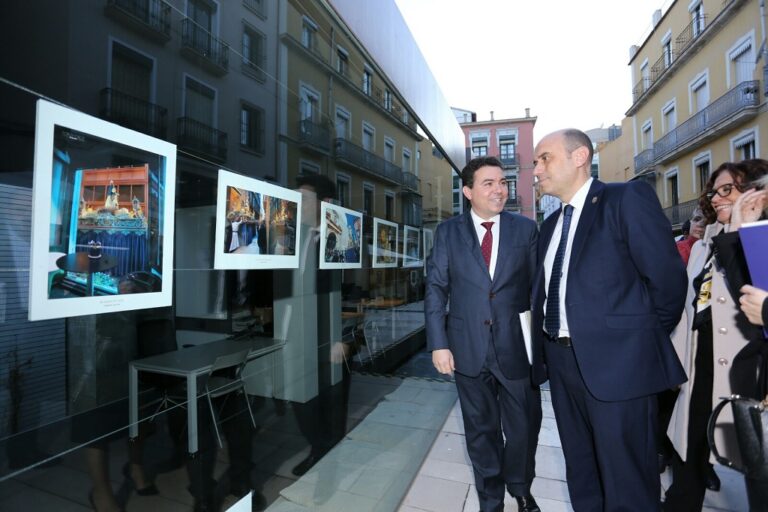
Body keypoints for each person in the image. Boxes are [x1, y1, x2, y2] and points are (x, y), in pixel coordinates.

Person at [531, 129, 687, 512]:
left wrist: (635, 345)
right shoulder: (550, 226)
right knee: (582, 471)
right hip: (562, 363)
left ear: (580, 156)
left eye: (545, 158)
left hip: (621, 367)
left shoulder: (624, 199)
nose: (536, 170)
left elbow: (667, 282)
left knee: (627, 480)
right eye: (535, 162)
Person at [425, 156, 542, 512]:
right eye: (488, 183)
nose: (499, 190)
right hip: (467, 348)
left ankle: (521, 488)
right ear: (468, 191)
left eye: (502, 182)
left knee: (524, 427)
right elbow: (436, 289)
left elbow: (538, 289)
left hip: (516, 347)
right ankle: (491, 500)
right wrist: (439, 343)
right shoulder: (448, 233)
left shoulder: (525, 230)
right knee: (481, 431)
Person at [665, 161, 768, 511]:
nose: (717, 198)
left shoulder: (759, 240)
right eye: (713, 192)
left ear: (755, 193)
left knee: (756, 459)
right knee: (689, 446)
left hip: (745, 370)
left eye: (728, 189)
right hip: (698, 364)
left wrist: (742, 231)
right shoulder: (703, 244)